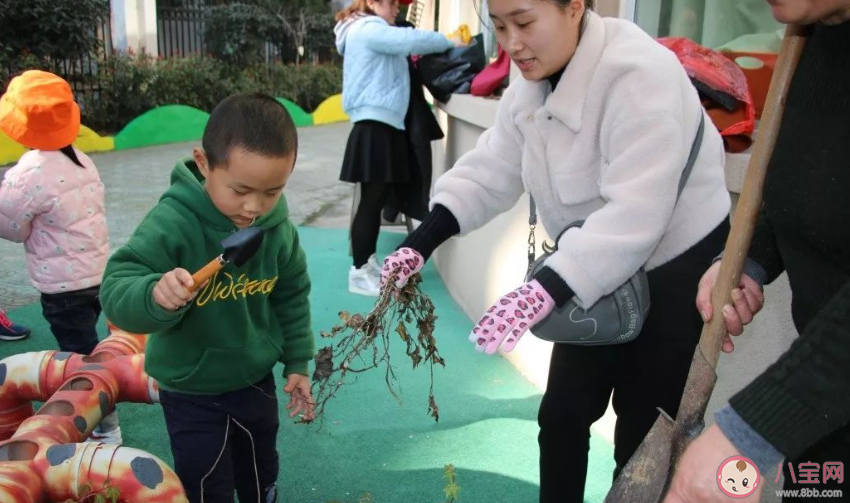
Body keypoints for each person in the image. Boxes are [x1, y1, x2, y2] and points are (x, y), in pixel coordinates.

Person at [380, 0, 732, 501]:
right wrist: (423, 240)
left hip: (676, 259)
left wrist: (542, 290)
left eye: (524, 23)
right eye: (498, 26)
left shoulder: (639, 74)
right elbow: (494, 165)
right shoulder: (531, 79)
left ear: (574, 8)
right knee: (563, 413)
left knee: (642, 430)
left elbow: (637, 211)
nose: (511, 44)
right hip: (587, 263)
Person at [664, 1, 850, 502]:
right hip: (829, 413)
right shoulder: (817, 34)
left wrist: (750, 433)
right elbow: (812, 187)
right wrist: (747, 260)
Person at [100, 92, 315, 503]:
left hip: (254, 380)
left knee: (260, 468)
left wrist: (298, 360)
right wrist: (154, 294)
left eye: (272, 191)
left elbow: (292, 294)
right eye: (240, 190)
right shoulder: (173, 222)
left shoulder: (277, 228)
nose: (254, 208)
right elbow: (116, 287)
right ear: (203, 164)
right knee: (205, 482)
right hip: (190, 388)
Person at [0, 69, 120, 443]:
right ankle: (101, 417)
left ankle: (105, 428)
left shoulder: (28, 173)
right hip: (97, 275)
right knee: (87, 346)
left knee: (78, 360)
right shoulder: (83, 159)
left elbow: (11, 227)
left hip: (62, 287)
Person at [334, 0, 456, 296]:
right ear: (372, 3)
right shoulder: (367, 29)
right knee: (370, 203)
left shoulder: (365, 29)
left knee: (374, 202)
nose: (397, 9)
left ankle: (367, 263)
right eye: (391, 3)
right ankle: (359, 272)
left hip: (381, 125)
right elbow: (412, 40)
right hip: (374, 126)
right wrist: (451, 41)